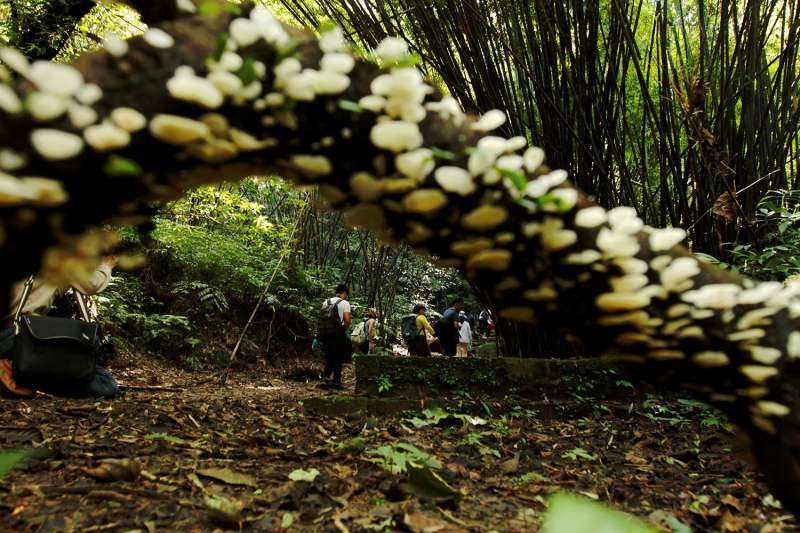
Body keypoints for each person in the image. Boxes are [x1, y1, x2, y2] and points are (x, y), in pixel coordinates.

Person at [0, 257, 119, 398]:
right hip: (16, 336)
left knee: (100, 380)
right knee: (105, 384)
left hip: (17, 338)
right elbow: (92, 284)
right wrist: (106, 264)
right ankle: (20, 375)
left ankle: (16, 374)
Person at [318, 283, 351, 388]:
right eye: (346, 294)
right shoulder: (344, 303)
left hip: (325, 332)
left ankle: (326, 378)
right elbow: (347, 320)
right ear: (344, 293)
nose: (346, 297)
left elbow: (321, 318)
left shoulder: (326, 302)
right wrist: (344, 330)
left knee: (329, 356)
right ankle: (336, 381)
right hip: (337, 333)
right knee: (338, 357)